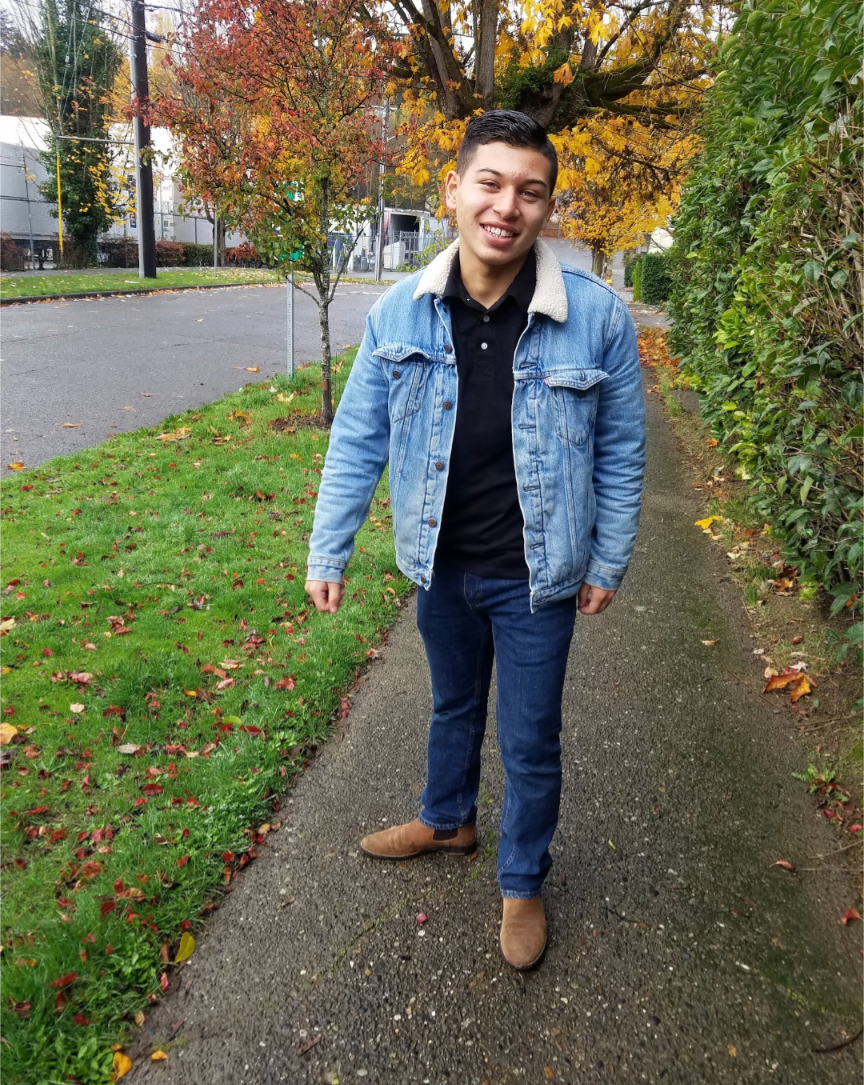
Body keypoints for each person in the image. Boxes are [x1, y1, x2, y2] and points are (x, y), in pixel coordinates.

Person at [305, 110, 646, 970]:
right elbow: (357, 438)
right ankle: (448, 817)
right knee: (452, 704)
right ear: (453, 190)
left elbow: (621, 450)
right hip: (442, 568)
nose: (507, 206)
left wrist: (608, 558)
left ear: (546, 208)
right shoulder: (399, 313)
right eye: (490, 183)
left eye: (530, 191)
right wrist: (328, 549)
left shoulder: (597, 319)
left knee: (530, 739)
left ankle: (522, 878)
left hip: (539, 578)